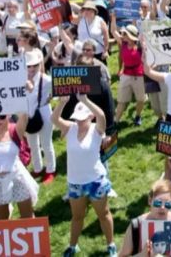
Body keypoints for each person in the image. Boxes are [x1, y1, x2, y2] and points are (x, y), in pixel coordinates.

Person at [53, 95, 116, 257]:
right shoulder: (70, 128)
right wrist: (62, 102)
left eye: (83, 119)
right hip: (75, 183)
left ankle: (111, 245)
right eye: (77, 119)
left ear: (90, 116)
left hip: (96, 181)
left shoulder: (97, 130)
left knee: (103, 214)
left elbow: (102, 116)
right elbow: (54, 118)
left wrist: (86, 100)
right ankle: (73, 246)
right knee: (77, 217)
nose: (79, 122)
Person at [118, 180, 171, 257]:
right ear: (150, 200)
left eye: (168, 204)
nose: (162, 207)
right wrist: (142, 255)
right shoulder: (136, 225)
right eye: (158, 203)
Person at [24, 49, 55, 185]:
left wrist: (50, 98)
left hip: (44, 111)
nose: (31, 69)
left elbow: (59, 90)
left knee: (46, 143)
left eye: (34, 65)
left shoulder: (47, 79)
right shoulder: (20, 79)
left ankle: (50, 169)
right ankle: (37, 168)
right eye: (28, 66)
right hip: (28, 113)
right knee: (32, 143)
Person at [110, 21, 145, 126]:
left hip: (139, 75)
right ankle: (115, 122)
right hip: (126, 75)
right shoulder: (122, 43)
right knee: (121, 100)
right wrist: (113, 18)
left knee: (141, 99)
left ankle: (138, 116)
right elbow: (113, 31)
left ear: (130, 35)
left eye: (125, 33)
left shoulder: (140, 46)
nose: (122, 35)